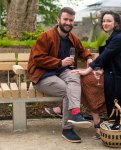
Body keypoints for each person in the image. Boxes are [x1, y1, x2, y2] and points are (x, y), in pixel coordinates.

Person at [27, 7, 93, 143]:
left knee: (74, 75)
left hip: (61, 72)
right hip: (42, 75)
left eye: (71, 20)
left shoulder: (73, 38)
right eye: (65, 19)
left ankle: (75, 114)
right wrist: (59, 62)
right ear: (58, 20)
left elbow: (83, 50)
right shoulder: (46, 36)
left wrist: (89, 58)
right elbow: (37, 59)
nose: (68, 22)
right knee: (68, 90)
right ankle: (67, 129)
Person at [72, 11, 121, 123]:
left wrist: (87, 69)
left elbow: (104, 56)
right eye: (103, 21)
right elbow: (109, 58)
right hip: (114, 73)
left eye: (109, 21)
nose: (105, 23)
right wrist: (101, 69)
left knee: (85, 79)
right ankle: (93, 115)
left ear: (116, 23)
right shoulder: (113, 37)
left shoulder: (119, 38)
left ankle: (93, 114)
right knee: (84, 79)